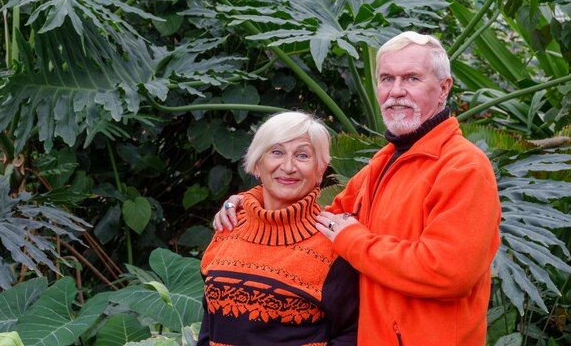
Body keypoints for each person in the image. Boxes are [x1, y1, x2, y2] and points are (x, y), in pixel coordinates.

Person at [213, 31, 501, 346]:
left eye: (412, 79)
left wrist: (354, 240)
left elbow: (448, 273)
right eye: (387, 79)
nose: (396, 92)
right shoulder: (383, 163)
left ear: (444, 88)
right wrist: (250, 204)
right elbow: (322, 220)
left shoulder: (464, 167)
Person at [198, 111, 359, 346]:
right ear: (257, 164)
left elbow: (353, 334)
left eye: (303, 155)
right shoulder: (229, 225)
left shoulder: (333, 244)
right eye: (276, 152)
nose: (288, 166)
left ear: (320, 170)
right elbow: (209, 323)